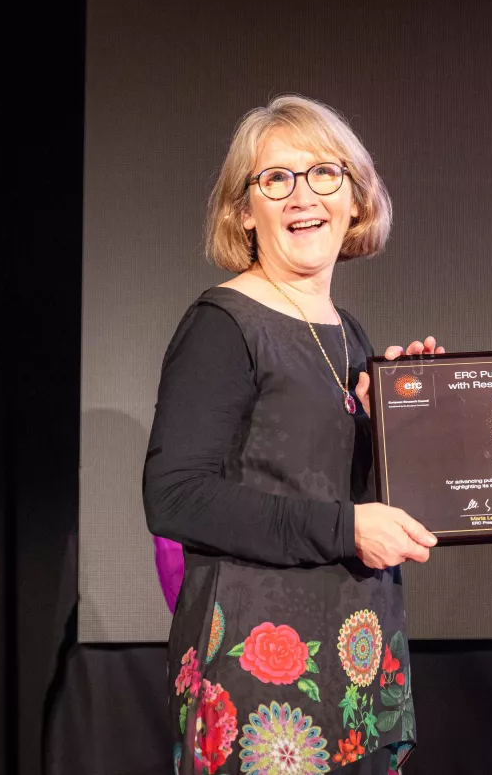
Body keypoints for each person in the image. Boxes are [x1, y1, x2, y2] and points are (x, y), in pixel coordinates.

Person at [144, 95, 440, 775]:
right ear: (244, 210)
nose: (302, 195)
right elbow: (176, 497)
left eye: (323, 174)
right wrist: (345, 529)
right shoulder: (223, 324)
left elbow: (341, 493)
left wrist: (412, 425)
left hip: (359, 659)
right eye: (275, 178)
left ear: (356, 198)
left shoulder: (350, 330)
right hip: (261, 679)